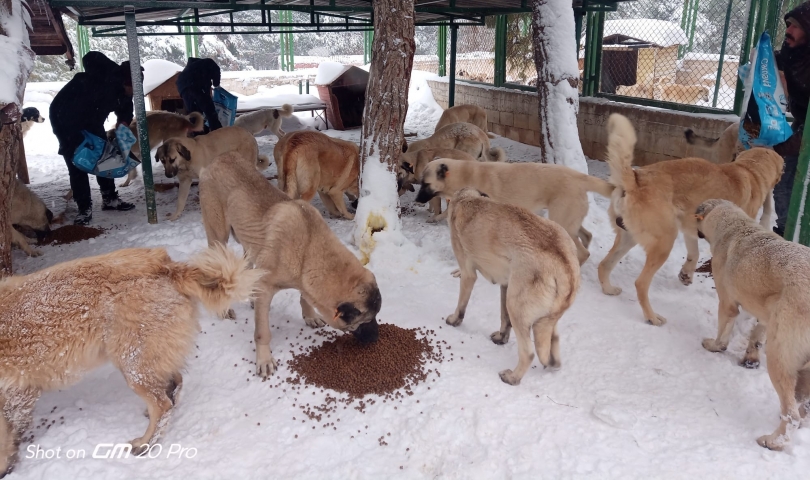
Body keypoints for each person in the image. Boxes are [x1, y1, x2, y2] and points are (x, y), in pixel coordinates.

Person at [50, 51, 137, 225]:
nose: (135, 91)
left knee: (105, 157)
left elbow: (125, 104)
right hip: (65, 121)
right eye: (135, 87)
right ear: (126, 83)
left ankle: (109, 198)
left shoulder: (120, 88)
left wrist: (124, 120)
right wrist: (78, 141)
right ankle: (84, 208)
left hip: (91, 121)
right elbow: (75, 112)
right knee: (77, 163)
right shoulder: (98, 85)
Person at [773, 0, 810, 237]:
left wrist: (783, 146)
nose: (789, 30)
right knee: (783, 182)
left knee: (790, 182)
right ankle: (787, 233)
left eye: (796, 26)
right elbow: (776, 59)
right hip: (802, 121)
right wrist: (760, 62)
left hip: (808, 128)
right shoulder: (794, 53)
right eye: (788, 24)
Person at [176, 57, 222, 132]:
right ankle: (218, 133)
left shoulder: (194, 66)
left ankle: (198, 134)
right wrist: (216, 83)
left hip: (183, 87)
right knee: (210, 112)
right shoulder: (210, 63)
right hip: (196, 85)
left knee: (194, 113)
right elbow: (216, 81)